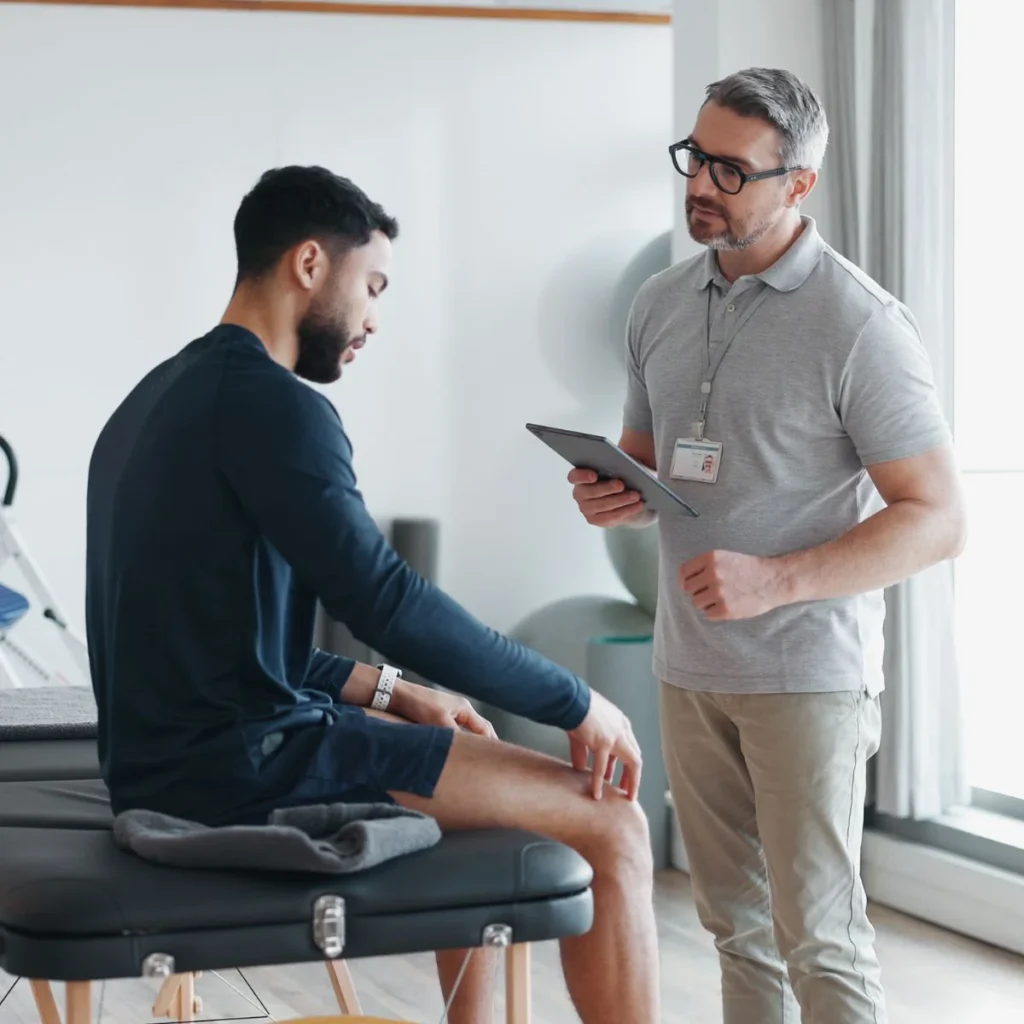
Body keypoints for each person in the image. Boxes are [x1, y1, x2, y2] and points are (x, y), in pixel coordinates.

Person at [85, 166, 660, 1024]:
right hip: (238, 770)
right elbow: (384, 601)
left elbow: (224, 639)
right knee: (614, 825)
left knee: (458, 754)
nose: (374, 319)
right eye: (373, 286)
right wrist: (577, 702)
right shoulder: (276, 407)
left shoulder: (156, 398)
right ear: (310, 264)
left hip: (165, 760)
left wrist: (396, 691)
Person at [568, 68, 966, 1024]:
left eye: (730, 170)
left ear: (798, 185)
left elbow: (940, 517)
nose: (700, 184)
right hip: (690, 668)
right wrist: (612, 492)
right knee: (734, 931)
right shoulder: (660, 302)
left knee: (819, 941)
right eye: (694, 158)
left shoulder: (861, 324)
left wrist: (777, 578)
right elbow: (650, 466)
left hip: (807, 679)